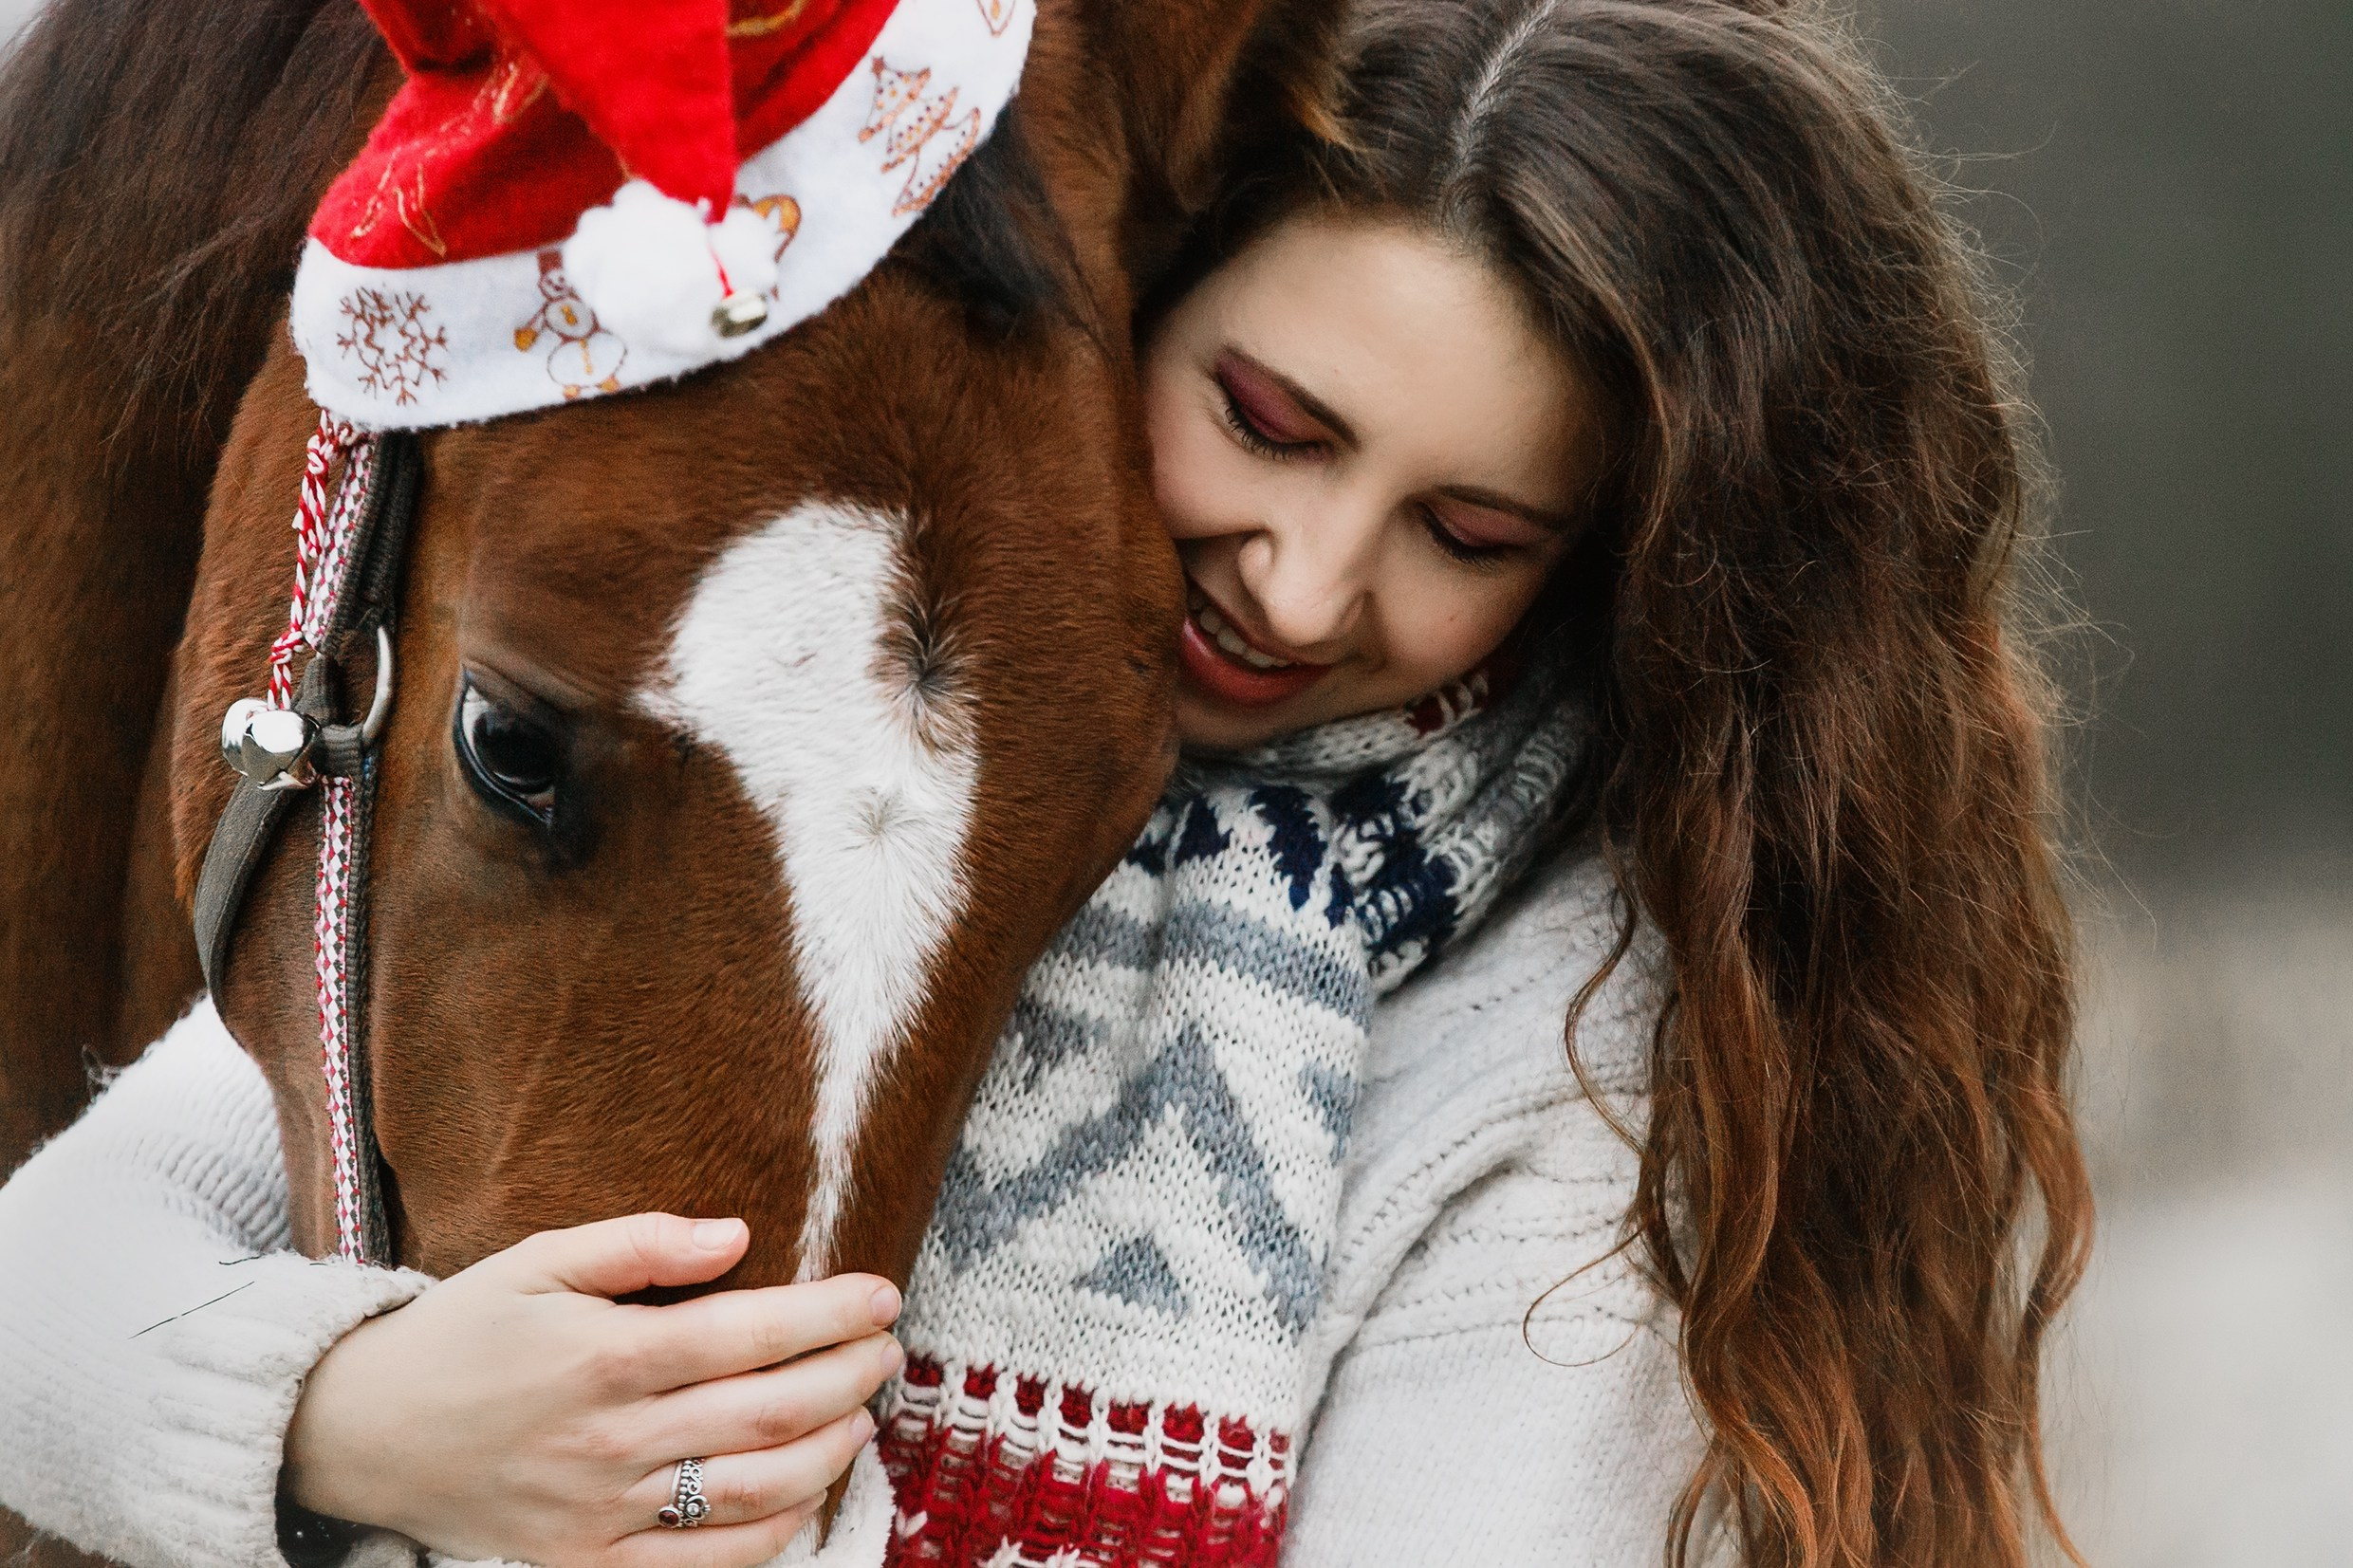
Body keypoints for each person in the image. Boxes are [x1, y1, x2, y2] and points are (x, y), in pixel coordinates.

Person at [0, 1, 2089, 1565]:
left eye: (1467, 532)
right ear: (1124, 304)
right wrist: (354, 1422)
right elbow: (42, 1288)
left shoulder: (1566, 1059)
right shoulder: (925, 778)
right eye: (1267, 420)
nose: (1302, 582)